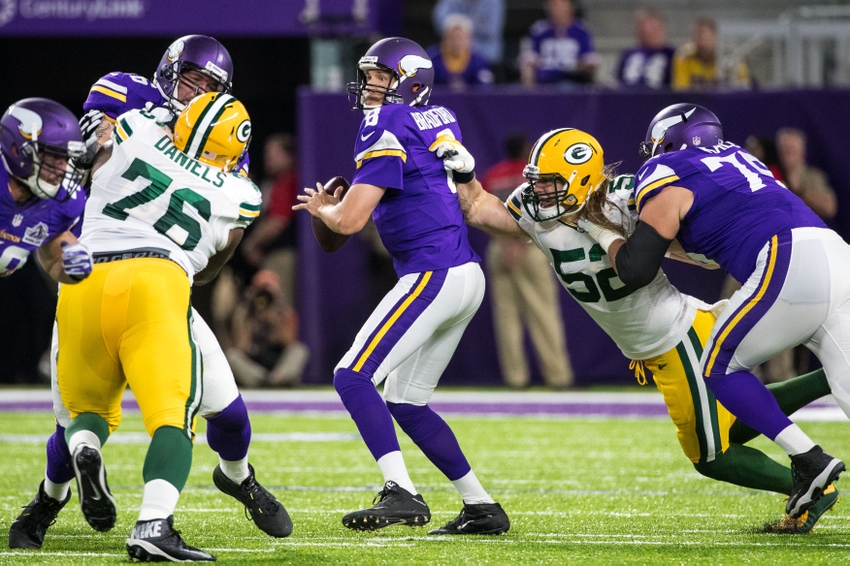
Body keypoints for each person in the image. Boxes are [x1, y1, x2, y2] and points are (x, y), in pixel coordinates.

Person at [435, 127, 839, 533]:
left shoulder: (627, 198)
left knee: (712, 456)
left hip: (677, 334)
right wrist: (466, 176)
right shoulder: (535, 207)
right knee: (729, 425)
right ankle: (827, 380)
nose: (540, 191)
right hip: (656, 342)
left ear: (580, 177)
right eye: (537, 181)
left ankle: (805, 486)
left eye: (551, 182)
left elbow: (692, 241)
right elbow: (480, 211)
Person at [9, 35, 291, 552]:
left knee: (220, 412)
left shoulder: (144, 125)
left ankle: (239, 476)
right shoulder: (129, 101)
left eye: (210, 87)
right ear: (167, 72)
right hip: (112, 259)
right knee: (84, 415)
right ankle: (51, 499)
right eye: (191, 79)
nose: (197, 92)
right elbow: (78, 170)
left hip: (137, 276)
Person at [579, 103, 848, 521]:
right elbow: (704, 250)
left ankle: (809, 459)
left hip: (788, 259)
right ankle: (810, 459)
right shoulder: (739, 159)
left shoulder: (666, 169)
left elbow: (634, 269)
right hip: (834, 253)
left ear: (665, 141)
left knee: (717, 368)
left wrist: (599, 229)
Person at [294, 37, 510, 536]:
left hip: (433, 272)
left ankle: (401, 491)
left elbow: (347, 224)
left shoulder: (386, 122)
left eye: (381, 77)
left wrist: (325, 210)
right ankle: (481, 506)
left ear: (410, 83)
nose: (370, 85)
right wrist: (330, 215)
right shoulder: (437, 118)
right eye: (367, 75)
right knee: (407, 401)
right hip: (463, 273)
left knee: (351, 375)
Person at [52, 92, 261, 561]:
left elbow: (91, 153)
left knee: (88, 411)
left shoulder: (138, 126)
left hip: (83, 275)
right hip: (155, 279)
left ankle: (85, 446)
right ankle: (153, 522)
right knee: (173, 418)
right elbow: (210, 267)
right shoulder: (241, 194)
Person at [479, 134, 573, 389]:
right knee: (544, 312)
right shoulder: (533, 177)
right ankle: (558, 378)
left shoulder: (493, 175)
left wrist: (505, 244)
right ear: (525, 150)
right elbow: (541, 212)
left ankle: (515, 379)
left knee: (506, 317)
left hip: (499, 249)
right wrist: (519, 244)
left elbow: (480, 211)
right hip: (532, 246)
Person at [0, 98, 91, 284]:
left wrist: (73, 268)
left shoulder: (64, 202)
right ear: (16, 150)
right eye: (54, 157)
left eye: (67, 159)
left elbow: (54, 260)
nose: (62, 168)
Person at [225, 269, 309, 388]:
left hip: (277, 363)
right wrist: (248, 318)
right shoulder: (244, 314)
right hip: (255, 364)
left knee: (300, 350)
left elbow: (289, 345)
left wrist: (275, 323)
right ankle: (263, 380)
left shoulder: (286, 313)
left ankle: (278, 379)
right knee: (231, 355)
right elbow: (241, 349)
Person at [519, 0, 598, 88]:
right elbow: (528, 61)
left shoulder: (582, 29)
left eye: (562, 4)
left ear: (570, 6)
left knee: (566, 86)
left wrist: (570, 69)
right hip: (543, 81)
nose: (557, 8)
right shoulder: (538, 29)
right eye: (553, 4)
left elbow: (590, 62)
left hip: (571, 81)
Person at [775, 128, 837, 222]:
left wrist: (800, 190)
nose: (788, 154)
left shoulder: (813, 176)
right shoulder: (772, 173)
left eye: (792, 150)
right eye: (785, 150)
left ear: (802, 152)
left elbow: (829, 208)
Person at [672, 18, 750, 90]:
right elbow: (681, 90)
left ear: (716, 38)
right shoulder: (684, 56)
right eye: (698, 38)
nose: (702, 43)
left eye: (706, 38)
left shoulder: (731, 57)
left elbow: (743, 87)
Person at [428, 13, 494, 90]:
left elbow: (484, 89)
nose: (457, 42)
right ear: (444, 37)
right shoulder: (432, 58)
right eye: (453, 37)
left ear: (469, 39)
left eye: (462, 38)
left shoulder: (479, 61)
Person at [432, 0, 506, 68]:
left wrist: (461, 29)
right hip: (451, 56)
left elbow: (491, 31)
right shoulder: (450, 2)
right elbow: (440, 24)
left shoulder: (494, 2)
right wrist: (459, 34)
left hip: (487, 57)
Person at [616, 7, 675, 89]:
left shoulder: (673, 55)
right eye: (640, 27)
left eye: (651, 28)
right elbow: (617, 81)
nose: (645, 31)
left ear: (661, 28)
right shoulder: (628, 53)